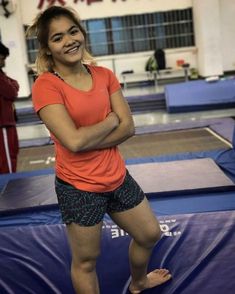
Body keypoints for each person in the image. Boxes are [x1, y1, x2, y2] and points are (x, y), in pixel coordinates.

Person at [27, 6, 171, 293]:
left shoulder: (104, 75)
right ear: (47, 49)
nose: (68, 40)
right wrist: (109, 121)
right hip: (78, 186)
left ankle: (139, 283)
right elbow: (74, 142)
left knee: (149, 234)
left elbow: (128, 127)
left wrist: (90, 135)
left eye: (73, 31)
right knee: (86, 260)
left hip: (116, 176)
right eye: (57, 38)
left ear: (82, 33)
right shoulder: (46, 85)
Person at [0, 41, 19, 174]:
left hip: (6, 124)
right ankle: (9, 190)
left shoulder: (2, 75)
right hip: (3, 126)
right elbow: (12, 91)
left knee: (10, 157)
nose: (4, 62)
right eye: (2, 58)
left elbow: (15, 84)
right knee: (7, 162)